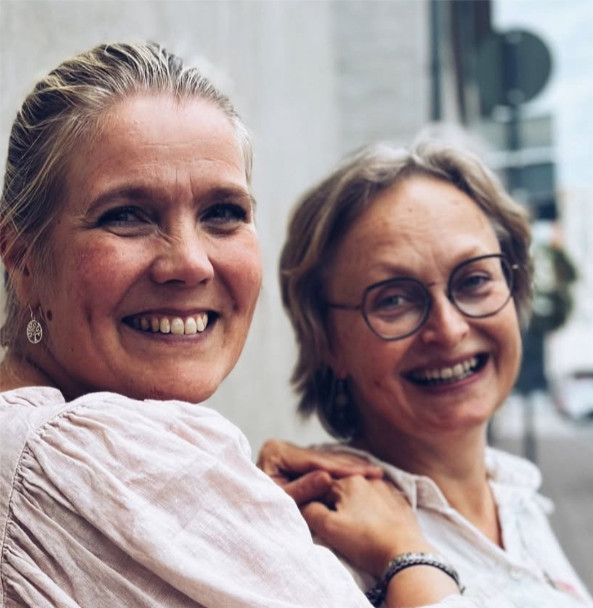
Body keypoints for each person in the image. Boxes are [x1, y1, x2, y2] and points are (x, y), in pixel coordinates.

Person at [0, 42, 470, 608]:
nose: (190, 262)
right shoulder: (85, 452)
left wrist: (240, 507)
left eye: (223, 213)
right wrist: (407, 551)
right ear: (23, 262)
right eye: (126, 216)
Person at [258, 142, 593, 608]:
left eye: (475, 280)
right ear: (327, 342)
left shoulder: (515, 497)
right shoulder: (321, 551)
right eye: (394, 299)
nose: (449, 329)